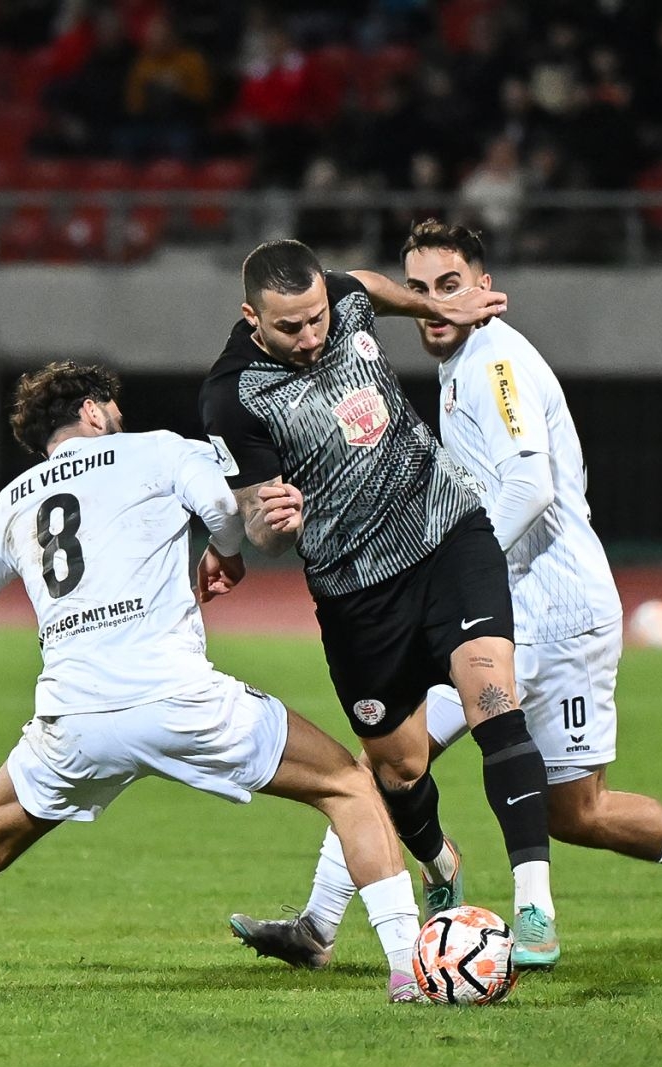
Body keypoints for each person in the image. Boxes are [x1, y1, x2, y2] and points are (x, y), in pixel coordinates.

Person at [231, 222, 662, 968]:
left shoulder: (497, 360)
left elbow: (530, 484)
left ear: (484, 286)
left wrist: (447, 568)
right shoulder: (453, 363)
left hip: (554, 605)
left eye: (451, 285)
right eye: (421, 289)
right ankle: (320, 923)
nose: (433, 304)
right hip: (499, 602)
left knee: (576, 811)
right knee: (392, 761)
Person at [0, 363, 426, 1001]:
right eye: (114, 409)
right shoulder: (158, 449)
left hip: (75, 720)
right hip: (180, 700)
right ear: (95, 412)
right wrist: (228, 552)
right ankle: (412, 968)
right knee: (350, 785)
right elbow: (220, 504)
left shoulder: (16, 499)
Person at [201, 239, 564, 970]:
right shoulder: (233, 396)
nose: (311, 337)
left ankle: (535, 908)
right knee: (396, 771)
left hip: (446, 536)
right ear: (252, 318)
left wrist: (435, 304)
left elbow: (367, 284)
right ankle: (440, 867)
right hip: (357, 593)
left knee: (494, 703)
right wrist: (273, 523)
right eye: (291, 328)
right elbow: (259, 527)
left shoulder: (344, 300)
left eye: (318, 319)